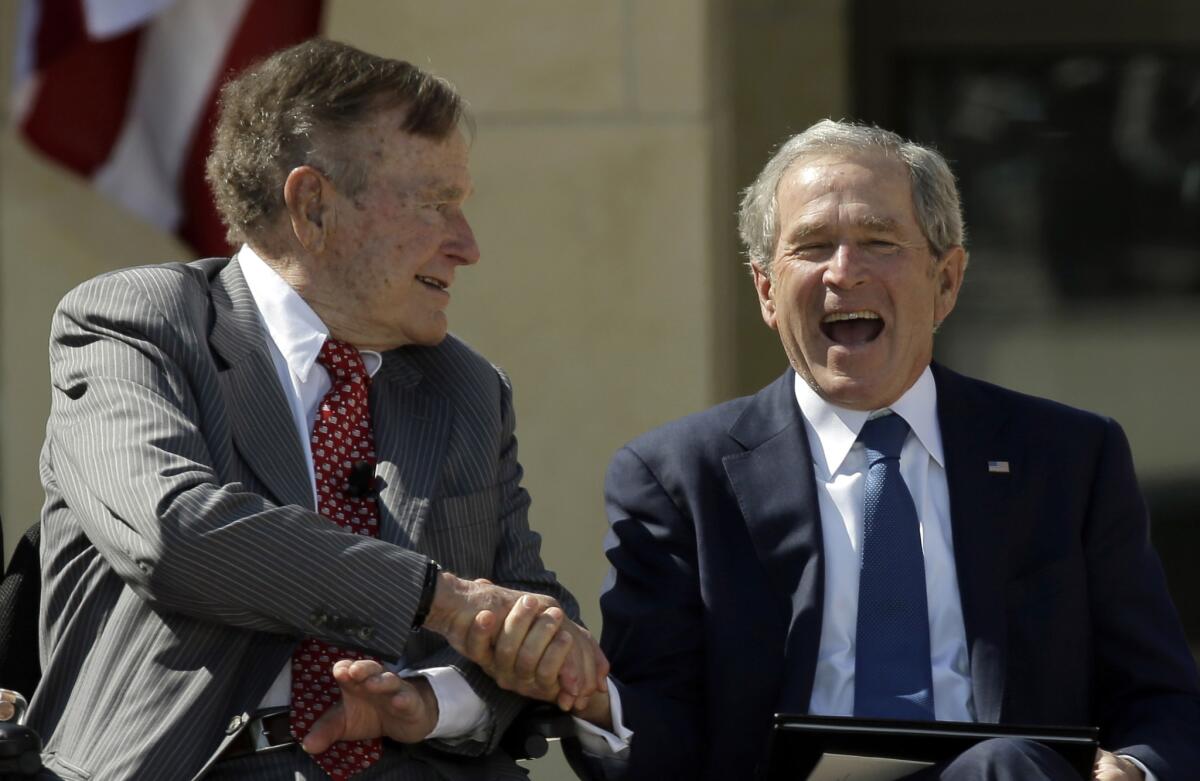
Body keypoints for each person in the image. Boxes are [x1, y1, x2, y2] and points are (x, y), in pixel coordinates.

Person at [30, 39, 605, 781]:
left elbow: (529, 611)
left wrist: (435, 701)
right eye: (437, 204)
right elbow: (173, 530)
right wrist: (439, 599)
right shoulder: (135, 322)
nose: (468, 245)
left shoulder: (466, 387)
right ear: (313, 206)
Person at [557, 120, 1200, 779]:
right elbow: (658, 737)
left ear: (946, 280)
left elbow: (1161, 699)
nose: (844, 272)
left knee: (1003, 765)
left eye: (877, 241)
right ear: (766, 290)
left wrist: (1132, 768)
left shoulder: (1069, 459)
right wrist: (595, 702)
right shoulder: (677, 479)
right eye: (811, 246)